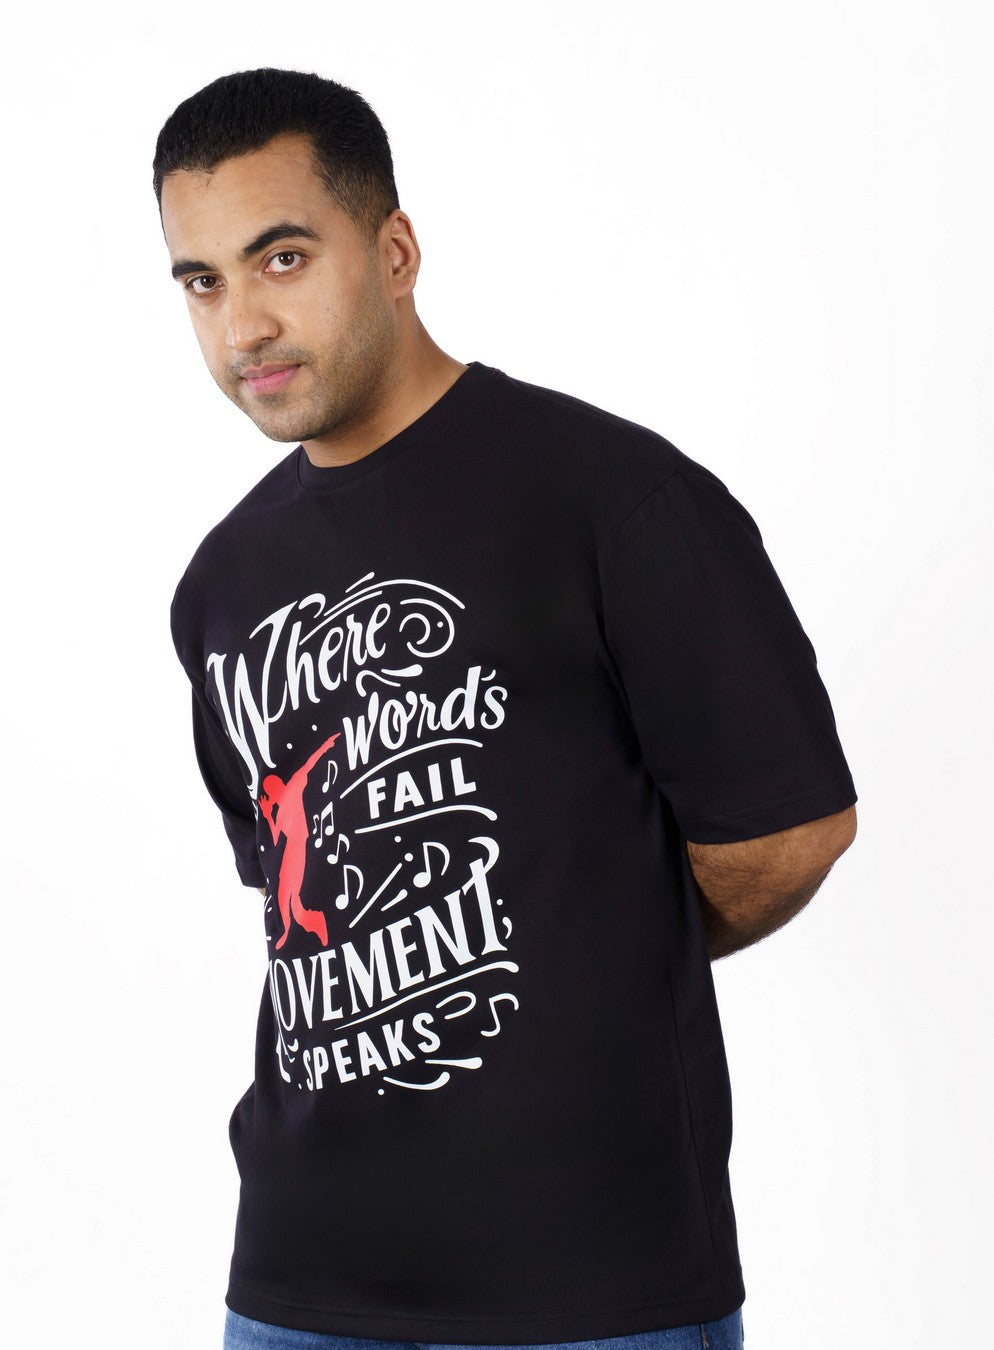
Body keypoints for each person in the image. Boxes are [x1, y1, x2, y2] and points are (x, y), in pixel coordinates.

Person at [156, 67, 857, 1350]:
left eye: (282, 258)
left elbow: (787, 832)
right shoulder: (222, 584)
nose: (242, 323)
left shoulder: (613, 498)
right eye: (201, 281)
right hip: (299, 1281)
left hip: (590, 1284)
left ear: (395, 251)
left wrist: (588, 949)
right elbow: (303, 907)